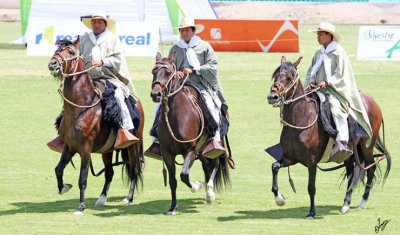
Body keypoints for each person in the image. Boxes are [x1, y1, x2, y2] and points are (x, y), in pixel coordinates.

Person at [47, 10, 139, 152]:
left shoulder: (112, 39)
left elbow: (118, 59)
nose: (96, 24)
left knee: (118, 96)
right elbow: (77, 55)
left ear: (105, 24)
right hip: (88, 78)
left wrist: (102, 62)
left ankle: (123, 129)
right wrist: (80, 58)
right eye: (94, 22)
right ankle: (63, 134)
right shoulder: (84, 39)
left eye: (99, 22)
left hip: (109, 79)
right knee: (71, 98)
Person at [144, 17, 228, 160]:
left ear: (193, 31)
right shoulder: (176, 48)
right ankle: (157, 140)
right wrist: (175, 72)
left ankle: (214, 138)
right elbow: (169, 67)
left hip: (201, 86)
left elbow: (213, 67)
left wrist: (194, 70)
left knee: (211, 105)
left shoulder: (204, 46)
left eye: (187, 30)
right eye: (182, 30)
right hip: (179, 87)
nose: (184, 33)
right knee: (158, 107)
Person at [304, 22, 373, 160]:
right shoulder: (318, 53)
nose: (317, 37)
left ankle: (342, 142)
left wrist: (328, 82)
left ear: (329, 36)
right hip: (317, 90)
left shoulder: (339, 52)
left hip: (335, 92)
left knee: (335, 108)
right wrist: (310, 82)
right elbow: (310, 71)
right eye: (317, 34)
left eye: (320, 34)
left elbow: (342, 75)